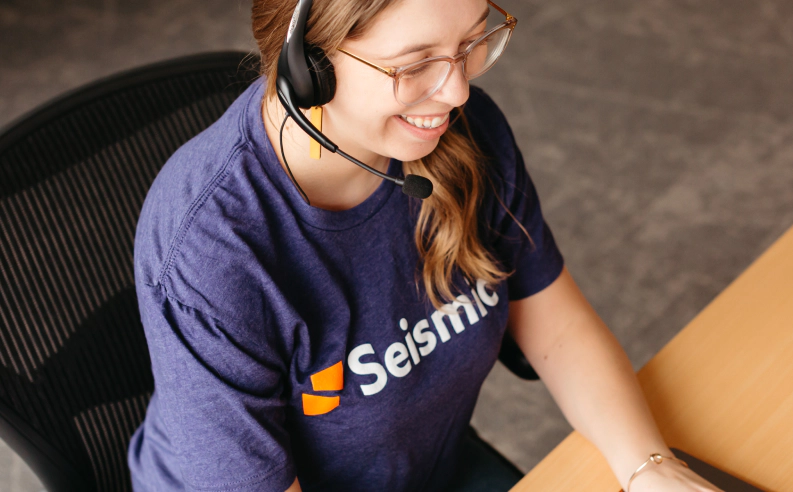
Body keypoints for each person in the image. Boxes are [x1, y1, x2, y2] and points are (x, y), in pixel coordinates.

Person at [127, 0, 723, 490]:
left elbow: (556, 326)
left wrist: (650, 468)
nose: (458, 91)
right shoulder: (213, 248)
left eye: (470, 42)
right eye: (414, 64)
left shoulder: (464, 134)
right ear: (307, 64)